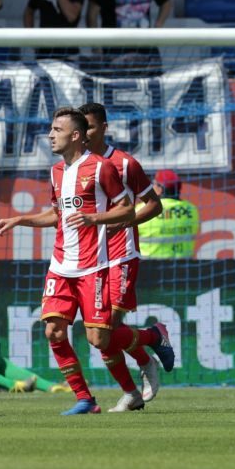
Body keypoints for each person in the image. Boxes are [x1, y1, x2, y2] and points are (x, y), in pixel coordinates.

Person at [0, 107, 173, 415]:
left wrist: (95, 218)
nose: (49, 135)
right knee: (54, 331)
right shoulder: (55, 172)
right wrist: (20, 219)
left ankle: (151, 339)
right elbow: (57, 215)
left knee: (100, 338)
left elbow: (128, 210)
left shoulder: (106, 167)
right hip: (61, 266)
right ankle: (86, 399)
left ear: (79, 134)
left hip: (98, 266)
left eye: (56, 130)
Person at [80, 102, 166, 408]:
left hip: (120, 254)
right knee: (99, 335)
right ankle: (148, 344)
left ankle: (144, 359)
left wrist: (126, 222)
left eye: (89, 126)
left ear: (104, 128)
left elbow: (154, 204)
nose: (84, 133)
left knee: (106, 328)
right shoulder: (75, 168)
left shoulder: (124, 163)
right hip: (89, 260)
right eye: (80, 128)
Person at [137, 169, 200, 259]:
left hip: (150, 267)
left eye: (153, 183)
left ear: (160, 189)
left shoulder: (144, 209)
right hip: (184, 266)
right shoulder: (191, 210)